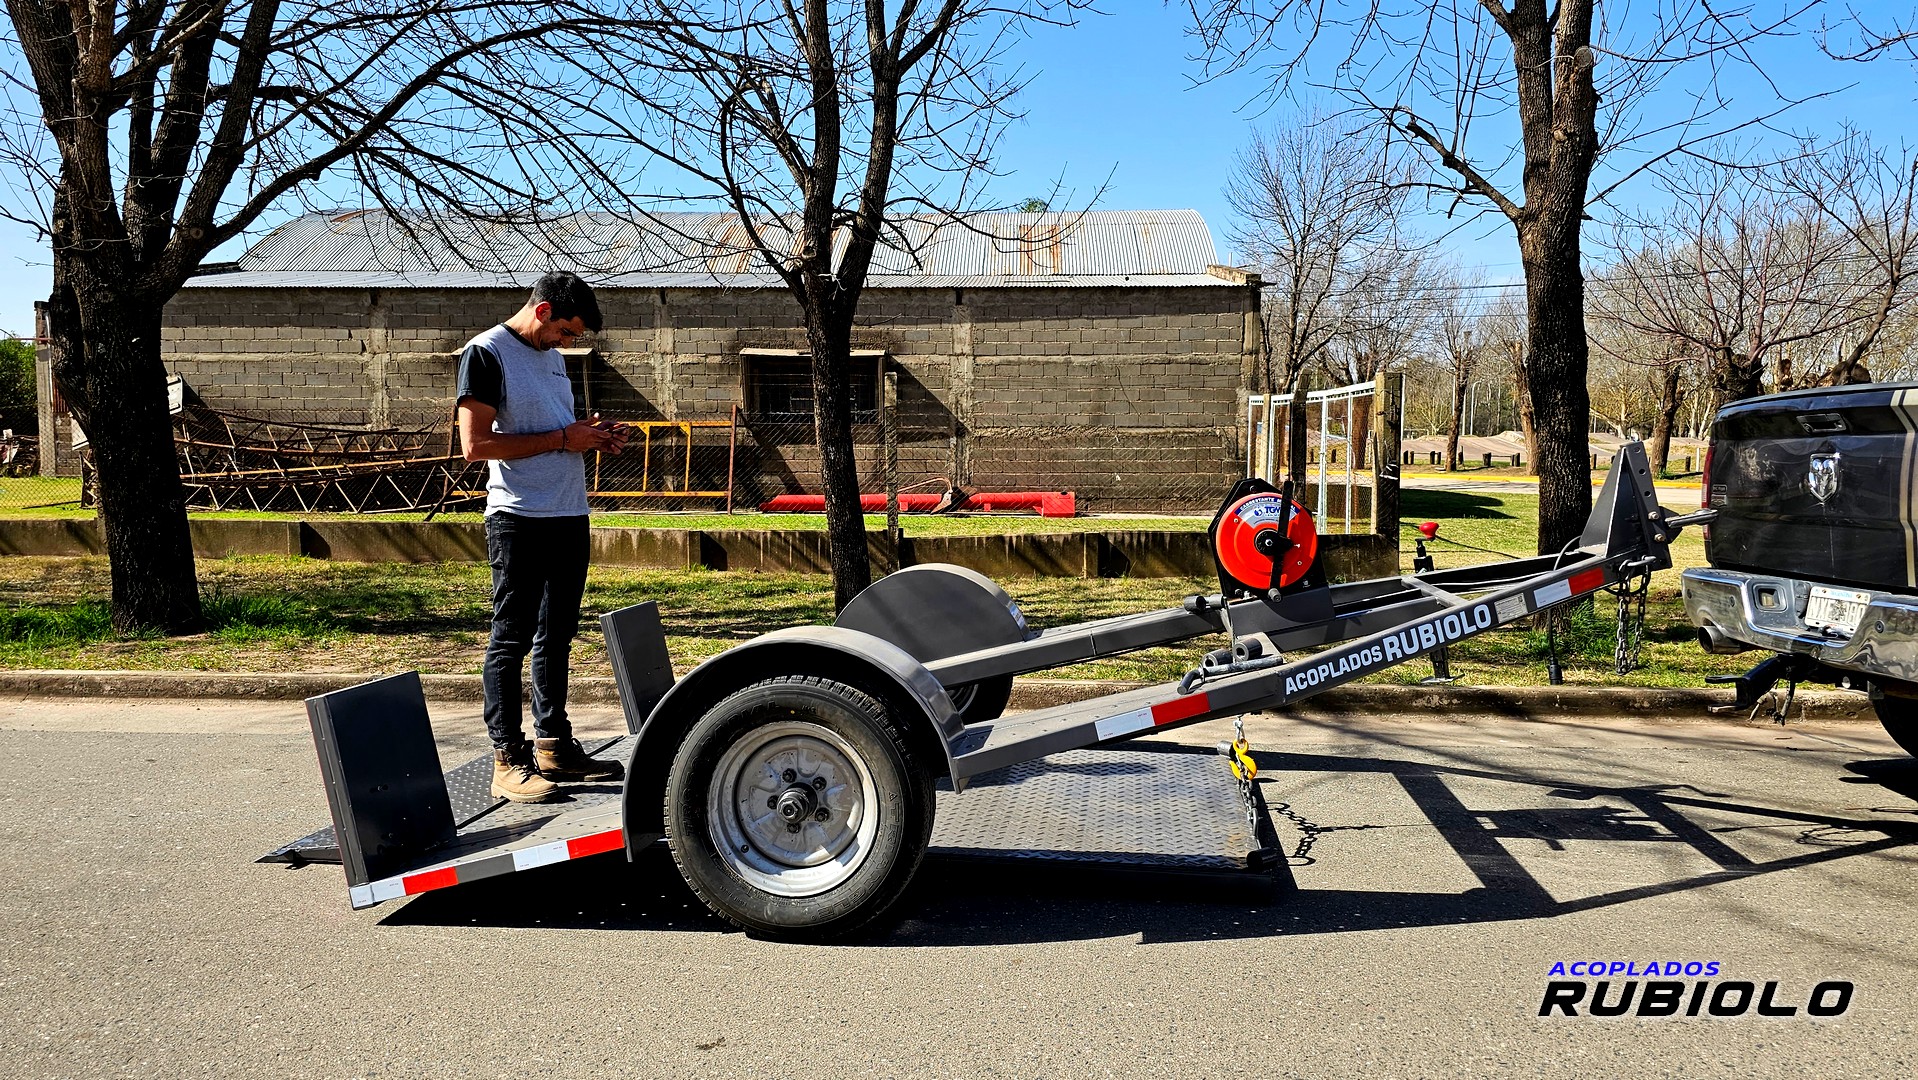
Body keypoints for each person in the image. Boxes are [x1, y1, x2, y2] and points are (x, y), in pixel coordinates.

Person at [456, 272, 630, 803]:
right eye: (567, 332)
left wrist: (589, 436)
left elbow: (553, 429)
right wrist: (563, 437)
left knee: (556, 635)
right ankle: (508, 759)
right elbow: (476, 446)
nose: (568, 343)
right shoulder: (485, 354)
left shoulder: (551, 357)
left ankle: (553, 742)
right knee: (510, 639)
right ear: (544, 309)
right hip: (519, 519)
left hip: (567, 513)